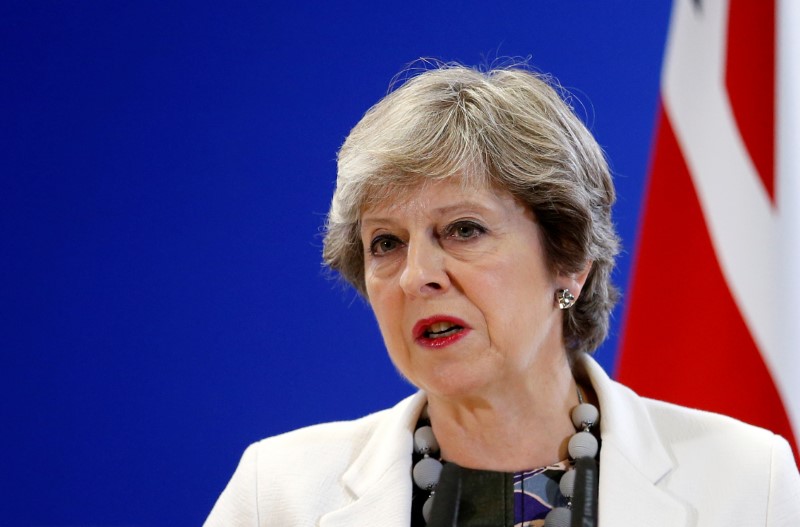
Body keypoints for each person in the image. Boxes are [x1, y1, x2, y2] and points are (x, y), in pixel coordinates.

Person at [205, 62, 800, 526]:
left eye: (463, 230)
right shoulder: (278, 492)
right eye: (385, 243)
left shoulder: (748, 480)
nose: (417, 276)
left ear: (569, 262)